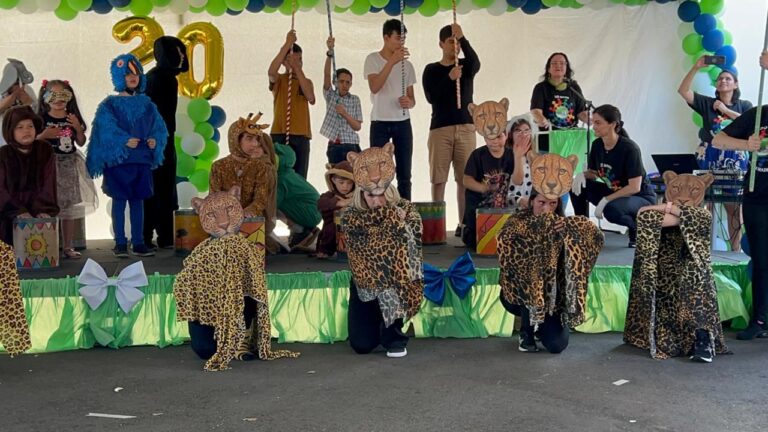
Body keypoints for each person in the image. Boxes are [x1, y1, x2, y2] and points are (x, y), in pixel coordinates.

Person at [173, 187, 299, 371]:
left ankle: (243, 335)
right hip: (211, 313)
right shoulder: (200, 254)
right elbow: (184, 286)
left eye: (229, 210)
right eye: (212, 215)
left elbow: (256, 291)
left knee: (247, 282)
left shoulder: (247, 248)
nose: (223, 222)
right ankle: (223, 333)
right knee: (205, 350)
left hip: (239, 309)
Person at [624, 172, 727, 363]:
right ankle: (676, 337)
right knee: (668, 292)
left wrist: (667, 207)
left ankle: (702, 339)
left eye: (693, 190)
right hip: (666, 275)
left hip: (692, 275)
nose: (684, 195)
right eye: (677, 189)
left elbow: (676, 217)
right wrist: (672, 211)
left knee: (693, 284)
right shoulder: (676, 214)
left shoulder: (704, 214)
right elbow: (644, 217)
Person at [497, 187, 603, 354]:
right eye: (541, 202)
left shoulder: (563, 223)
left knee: (556, 345)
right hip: (521, 295)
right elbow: (504, 242)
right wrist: (537, 226)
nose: (547, 208)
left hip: (552, 300)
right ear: (532, 201)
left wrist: (570, 232)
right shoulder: (518, 221)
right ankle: (527, 333)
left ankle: (542, 327)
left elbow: (595, 236)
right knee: (530, 275)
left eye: (553, 203)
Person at [343, 144, 423, 358]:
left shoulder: (406, 208)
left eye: (381, 196)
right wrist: (393, 223)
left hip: (396, 279)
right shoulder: (350, 217)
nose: (377, 201)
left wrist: (396, 226)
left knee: (395, 275)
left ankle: (394, 334)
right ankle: (378, 323)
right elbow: (367, 247)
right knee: (362, 345)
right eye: (371, 196)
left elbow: (414, 237)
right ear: (362, 196)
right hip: (366, 283)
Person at [86, 54, 168, 258]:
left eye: (136, 73)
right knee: (120, 201)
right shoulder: (109, 105)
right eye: (128, 73)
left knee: (138, 201)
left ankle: (138, 242)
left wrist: (153, 141)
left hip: (140, 161)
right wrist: (122, 140)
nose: (133, 77)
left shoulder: (148, 104)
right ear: (119, 76)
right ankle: (120, 242)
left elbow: (159, 128)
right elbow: (104, 129)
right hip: (120, 163)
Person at [712, 53, 768, 340]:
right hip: (757, 196)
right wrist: (747, 143)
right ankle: (760, 321)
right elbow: (717, 139)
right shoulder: (759, 114)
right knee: (760, 258)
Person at [678, 56, 752, 252]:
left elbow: (748, 122)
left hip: (734, 159)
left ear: (735, 84)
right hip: (709, 156)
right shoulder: (707, 103)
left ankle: (736, 250)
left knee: (733, 206)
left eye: (728, 79)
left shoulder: (744, 105)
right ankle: (703, 249)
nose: (723, 81)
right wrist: (695, 67)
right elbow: (683, 91)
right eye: (720, 79)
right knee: (706, 202)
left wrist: (725, 110)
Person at [422, 23, 480, 235]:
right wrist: (449, 78)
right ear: (441, 44)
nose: (454, 46)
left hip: (466, 127)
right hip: (440, 129)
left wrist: (464, 38)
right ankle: (436, 224)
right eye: (450, 42)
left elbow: (476, 62)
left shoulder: (466, 66)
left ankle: (463, 224)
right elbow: (431, 96)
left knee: (464, 179)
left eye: (457, 42)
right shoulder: (431, 70)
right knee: (438, 178)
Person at [570, 104, 656, 248]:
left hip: (640, 197)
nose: (593, 127)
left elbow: (634, 187)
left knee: (611, 210)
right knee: (576, 187)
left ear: (612, 124)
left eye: (598, 123)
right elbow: (595, 172)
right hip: (614, 191)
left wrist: (605, 200)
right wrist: (581, 175)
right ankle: (582, 230)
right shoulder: (597, 145)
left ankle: (636, 228)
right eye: (593, 122)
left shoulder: (630, 149)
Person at [36, 79, 97, 258]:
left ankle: (68, 246)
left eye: (63, 95)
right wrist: (44, 135)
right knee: (48, 205)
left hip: (69, 164)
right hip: (48, 167)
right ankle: (47, 244)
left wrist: (78, 128)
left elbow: (80, 142)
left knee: (68, 207)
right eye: (53, 95)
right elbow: (32, 141)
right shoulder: (41, 119)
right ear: (45, 98)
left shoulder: (71, 117)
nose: (58, 99)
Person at [143, 36, 189, 250]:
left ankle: (157, 234)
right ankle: (160, 235)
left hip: (160, 139)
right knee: (160, 187)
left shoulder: (160, 77)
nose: (181, 56)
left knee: (161, 187)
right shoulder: (162, 78)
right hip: (158, 141)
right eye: (178, 52)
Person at [209, 113, 280, 252]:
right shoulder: (218, 166)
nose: (255, 144)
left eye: (257, 140)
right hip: (223, 223)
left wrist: (247, 213)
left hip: (250, 223)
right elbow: (214, 198)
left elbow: (260, 200)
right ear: (236, 139)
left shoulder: (261, 168)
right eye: (249, 138)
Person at [364, 19, 417, 200]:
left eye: (403, 39)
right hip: (379, 121)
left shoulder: (407, 66)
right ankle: (381, 213)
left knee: (405, 174)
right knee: (378, 173)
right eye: (397, 38)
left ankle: (406, 214)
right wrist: (392, 61)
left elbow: (413, 99)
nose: (401, 43)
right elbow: (375, 87)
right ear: (386, 37)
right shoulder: (372, 59)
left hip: (402, 122)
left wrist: (408, 102)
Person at [0, 106, 59, 244]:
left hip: (36, 210)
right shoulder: (3, 154)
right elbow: (1, 190)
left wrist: (43, 209)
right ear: (10, 130)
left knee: (39, 252)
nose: (26, 130)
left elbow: (48, 183)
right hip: (7, 213)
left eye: (30, 126)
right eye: (19, 127)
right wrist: (18, 211)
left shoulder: (44, 150)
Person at [268, 30, 315, 179]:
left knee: (299, 177)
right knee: (276, 175)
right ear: (284, 61)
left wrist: (297, 69)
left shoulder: (306, 81)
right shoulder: (280, 80)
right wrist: (287, 43)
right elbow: (271, 71)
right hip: (279, 133)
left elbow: (311, 97)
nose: (296, 62)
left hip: (301, 135)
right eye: (291, 59)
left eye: (300, 59)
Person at [461, 130, 514, 250]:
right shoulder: (477, 155)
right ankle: (469, 229)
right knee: (475, 243)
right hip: (481, 206)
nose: (495, 141)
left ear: (506, 136)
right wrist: (485, 188)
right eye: (490, 137)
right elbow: (466, 180)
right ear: (484, 138)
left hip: (505, 207)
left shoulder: (512, 155)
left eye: (499, 137)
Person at [530, 52, 588, 152]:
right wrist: (541, 120)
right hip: (548, 139)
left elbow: (581, 112)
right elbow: (535, 110)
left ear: (567, 68)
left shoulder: (574, 88)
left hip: (570, 140)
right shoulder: (540, 88)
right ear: (548, 68)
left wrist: (591, 120)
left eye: (562, 63)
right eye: (555, 63)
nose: (558, 66)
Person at [320, 37, 363, 165]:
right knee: (338, 178)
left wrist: (344, 114)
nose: (345, 85)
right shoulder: (331, 96)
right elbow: (326, 75)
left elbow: (357, 126)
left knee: (356, 179)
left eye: (348, 82)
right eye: (341, 81)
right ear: (336, 82)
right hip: (336, 145)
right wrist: (329, 54)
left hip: (352, 144)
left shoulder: (355, 99)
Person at [315, 160, 354, 259]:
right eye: (341, 182)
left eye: (349, 183)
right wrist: (338, 203)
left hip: (352, 228)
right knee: (331, 229)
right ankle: (325, 250)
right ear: (333, 180)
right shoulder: (330, 195)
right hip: (332, 230)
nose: (345, 186)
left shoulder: (356, 196)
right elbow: (320, 204)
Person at [0, 59, 37, 147]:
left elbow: (38, 112)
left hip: (25, 138)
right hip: (4, 140)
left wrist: (30, 102)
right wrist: (11, 98)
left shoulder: (28, 90)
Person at [505, 113, 537, 211]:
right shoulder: (505, 155)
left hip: (527, 209)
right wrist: (518, 157)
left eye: (526, 130)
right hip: (507, 208)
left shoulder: (534, 156)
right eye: (518, 131)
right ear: (511, 135)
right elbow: (517, 181)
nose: (523, 134)